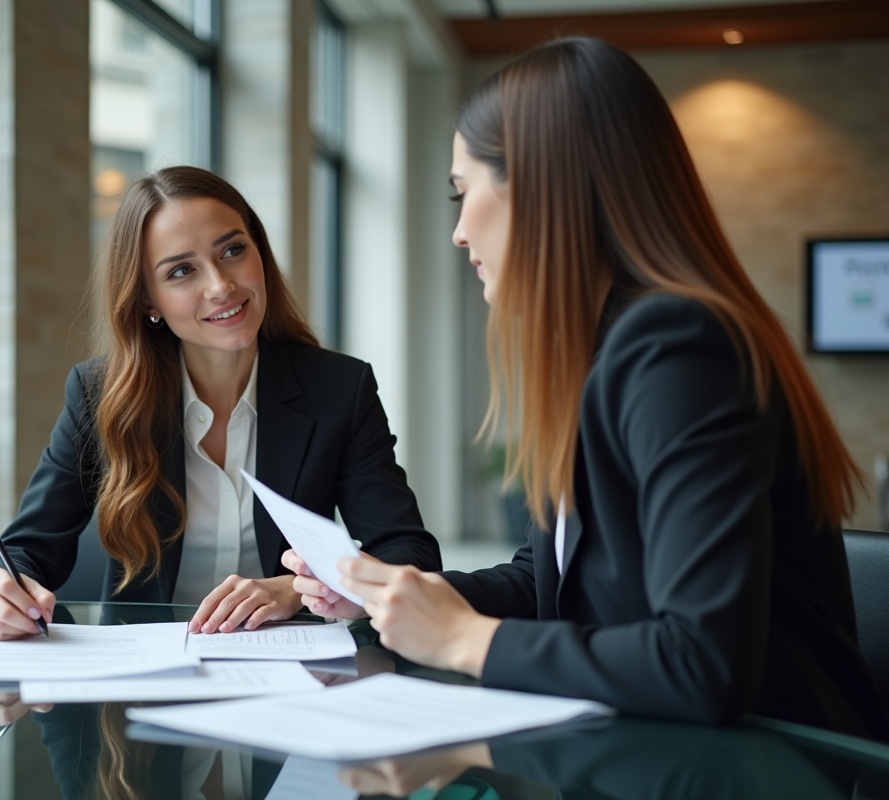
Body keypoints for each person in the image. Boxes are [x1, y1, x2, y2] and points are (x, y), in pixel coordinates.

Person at [286, 37, 889, 740]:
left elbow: (702, 663)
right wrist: (399, 597)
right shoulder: (606, 350)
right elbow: (549, 583)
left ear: (542, 188)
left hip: (771, 765)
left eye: (463, 191)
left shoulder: (677, 348)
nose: (458, 233)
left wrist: (461, 640)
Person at [0, 166, 441, 638]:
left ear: (260, 253)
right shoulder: (99, 394)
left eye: (232, 250)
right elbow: (25, 548)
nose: (221, 285)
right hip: (142, 672)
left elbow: (408, 554)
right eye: (182, 271)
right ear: (148, 301)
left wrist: (295, 588)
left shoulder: (339, 388)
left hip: (291, 665)